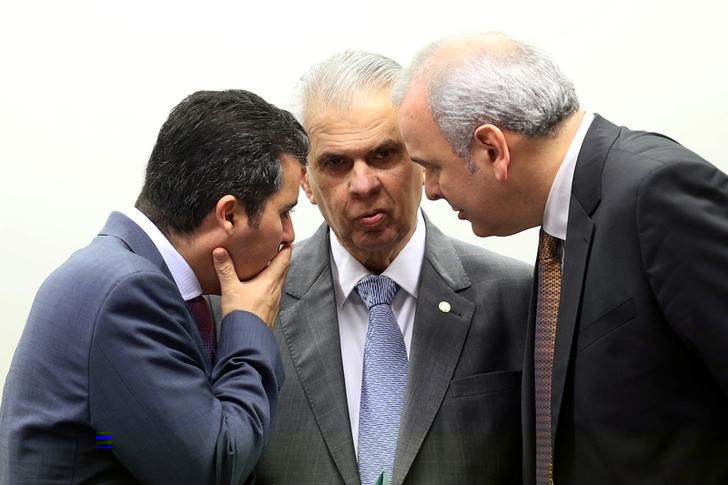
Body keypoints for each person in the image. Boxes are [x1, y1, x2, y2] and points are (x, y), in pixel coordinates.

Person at [394, 32, 728, 485]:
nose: (430, 190)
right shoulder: (563, 221)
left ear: (492, 149)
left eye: (432, 166)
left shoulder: (656, 192)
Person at [0, 89, 309, 484]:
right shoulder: (126, 294)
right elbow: (215, 466)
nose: (289, 235)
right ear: (229, 214)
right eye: (284, 212)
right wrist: (248, 324)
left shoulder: (118, 275)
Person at [253, 50, 532, 485]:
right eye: (335, 163)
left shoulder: (517, 299)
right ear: (305, 182)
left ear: (420, 160)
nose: (363, 184)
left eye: (384, 154)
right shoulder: (248, 310)